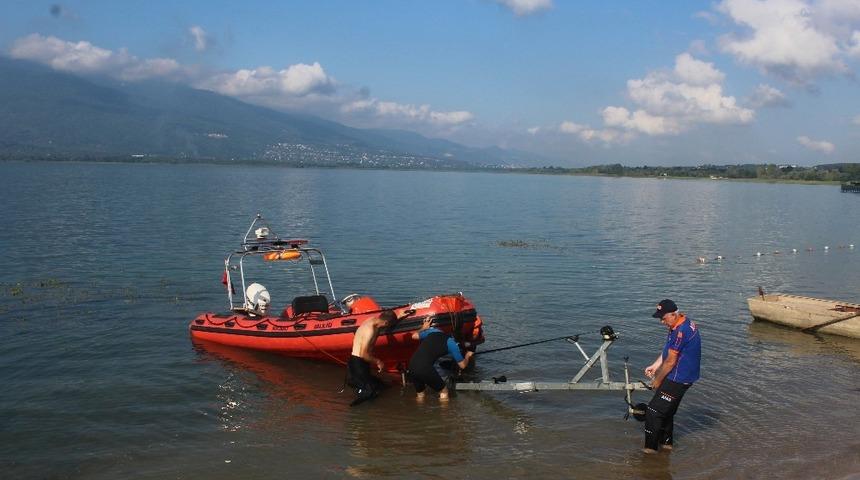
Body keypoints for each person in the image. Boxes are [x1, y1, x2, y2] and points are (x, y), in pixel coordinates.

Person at [642, 299, 701, 454]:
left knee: (653, 412)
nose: (662, 321)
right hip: (684, 375)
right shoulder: (680, 323)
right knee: (666, 412)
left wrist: (657, 380)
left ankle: (650, 452)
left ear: (673, 314)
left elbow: (670, 362)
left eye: (663, 318)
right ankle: (667, 445)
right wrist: (655, 366)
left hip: (679, 377)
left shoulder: (681, 331)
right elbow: (669, 349)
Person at [408, 317, 474, 401]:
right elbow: (462, 365)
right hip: (424, 368)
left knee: (420, 394)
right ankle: (444, 414)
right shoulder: (452, 343)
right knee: (444, 391)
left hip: (412, 364)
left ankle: (419, 410)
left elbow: (414, 336)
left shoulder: (432, 332)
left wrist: (424, 327)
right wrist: (468, 355)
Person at [346, 309, 397, 406]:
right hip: (358, 362)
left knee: (382, 386)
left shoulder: (373, 320)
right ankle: (355, 411)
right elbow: (364, 354)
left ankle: (357, 383)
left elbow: (388, 316)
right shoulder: (370, 330)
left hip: (361, 362)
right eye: (389, 326)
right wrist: (378, 362)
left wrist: (400, 315)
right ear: (386, 322)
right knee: (370, 393)